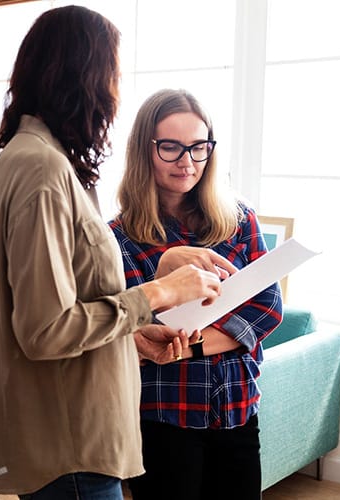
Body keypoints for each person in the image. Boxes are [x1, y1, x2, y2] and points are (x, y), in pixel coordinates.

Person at [0, 6, 228, 499]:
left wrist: (133, 329)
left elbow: (73, 302)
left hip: (73, 437)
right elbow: (45, 331)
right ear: (81, 77)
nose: (115, 93)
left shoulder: (35, 161)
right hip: (70, 443)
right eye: (112, 74)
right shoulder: (41, 170)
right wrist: (158, 291)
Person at [109, 88, 283, 500]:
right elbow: (138, 330)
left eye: (198, 147)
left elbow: (268, 308)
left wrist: (192, 347)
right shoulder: (117, 236)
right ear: (143, 151)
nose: (187, 161)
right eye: (170, 147)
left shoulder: (239, 219)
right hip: (164, 416)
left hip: (238, 408)